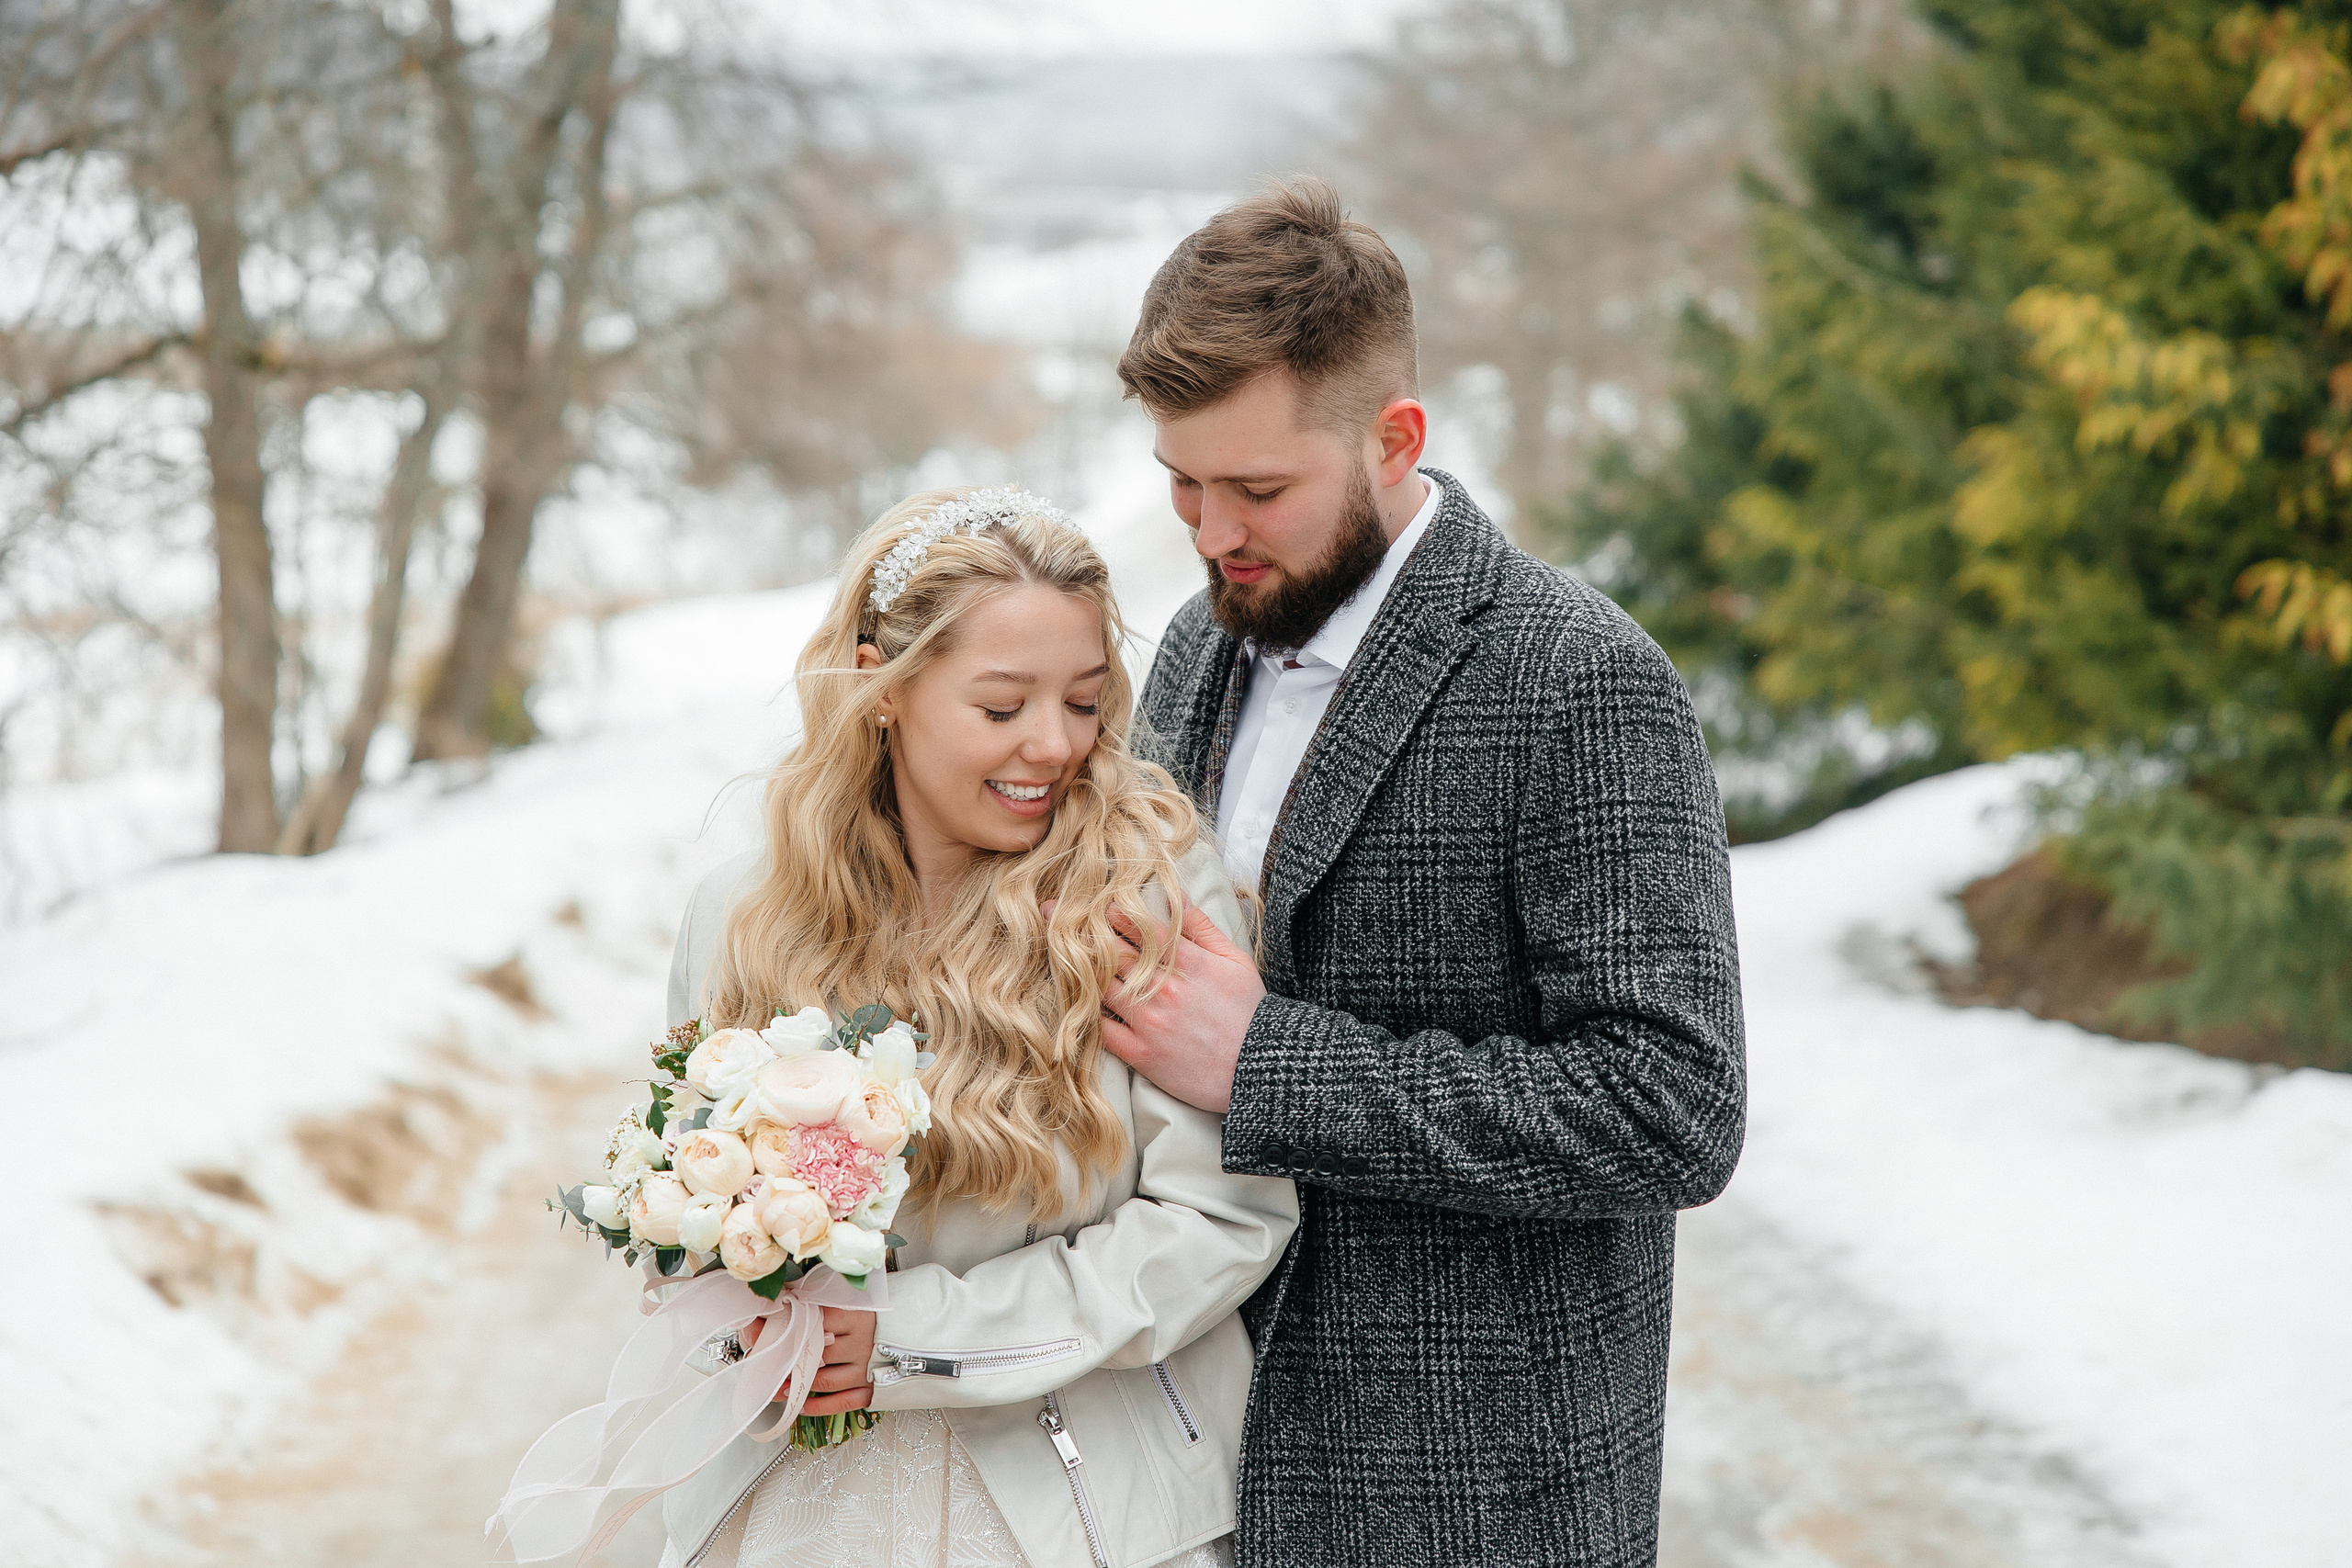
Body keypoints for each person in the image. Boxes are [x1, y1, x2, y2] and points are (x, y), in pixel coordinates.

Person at [1097, 178, 1747, 1565]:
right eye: (1183, 483)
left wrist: (1271, 1062)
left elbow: (1672, 1105)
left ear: (1396, 439)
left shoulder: (1580, 678)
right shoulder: (1197, 644)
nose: (1212, 532)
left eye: (1259, 488)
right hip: (1200, 1466)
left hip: (1476, 1501)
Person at [654, 488, 1297, 1568]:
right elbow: (688, 1216)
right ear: (882, 689)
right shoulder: (743, 914)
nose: (1052, 746)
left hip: (1082, 1509)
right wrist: (755, 1317)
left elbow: (1221, 1221)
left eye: (1085, 702)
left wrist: (906, 1340)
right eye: (1001, 708)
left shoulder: (1143, 894)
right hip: (795, 1503)